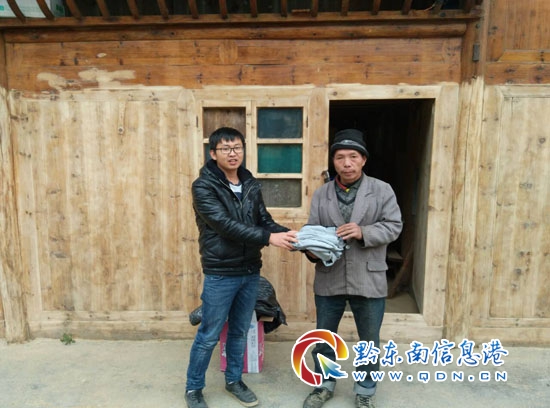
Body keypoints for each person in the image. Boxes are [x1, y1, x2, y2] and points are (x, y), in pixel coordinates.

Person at [185, 127, 298, 408]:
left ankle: (234, 381)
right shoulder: (203, 186)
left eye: (237, 147)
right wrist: (269, 238)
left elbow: (263, 220)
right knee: (209, 334)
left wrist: (291, 236)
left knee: (239, 331)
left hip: (250, 270)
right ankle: (193, 388)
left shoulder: (250, 183)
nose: (233, 153)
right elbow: (225, 225)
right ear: (213, 154)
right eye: (225, 148)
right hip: (221, 271)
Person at [302, 129, 403, 408]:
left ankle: (365, 391)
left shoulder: (382, 190)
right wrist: (310, 248)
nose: (346, 163)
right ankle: (324, 385)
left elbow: (394, 226)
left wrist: (363, 231)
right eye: (340, 157)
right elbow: (312, 229)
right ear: (333, 161)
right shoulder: (322, 193)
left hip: (368, 275)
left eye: (353, 156)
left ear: (363, 160)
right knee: (325, 337)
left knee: (369, 340)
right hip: (330, 275)